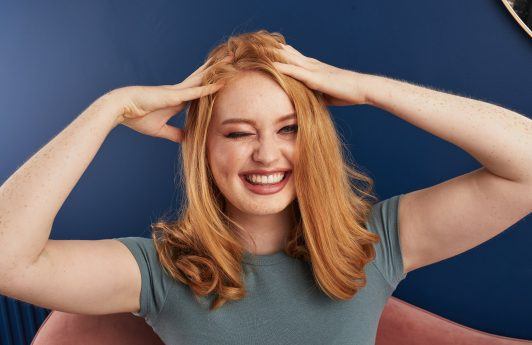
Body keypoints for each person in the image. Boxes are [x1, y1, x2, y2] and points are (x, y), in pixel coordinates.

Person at [0, 30, 530, 345]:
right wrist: (110, 109)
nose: (267, 155)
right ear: (202, 147)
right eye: (237, 133)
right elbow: (7, 261)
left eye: (289, 128)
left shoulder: (376, 243)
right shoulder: (161, 271)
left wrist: (370, 90)